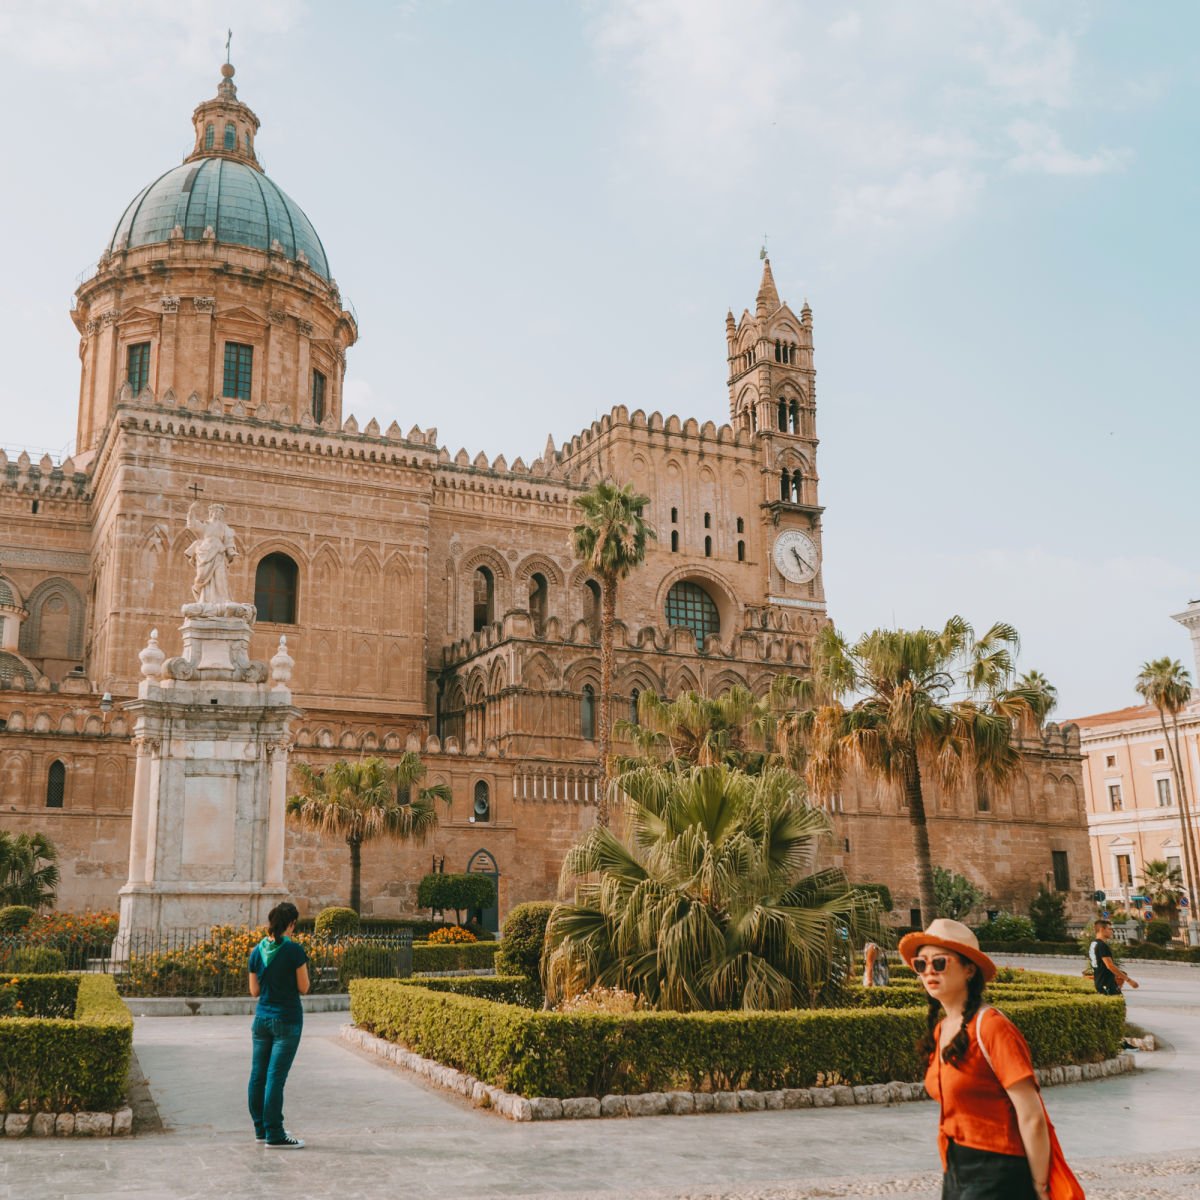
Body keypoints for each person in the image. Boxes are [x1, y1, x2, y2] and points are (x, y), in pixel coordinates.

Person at [900, 918, 1065, 1199]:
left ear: (968, 969)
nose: (929, 971)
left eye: (939, 962)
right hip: (957, 1168)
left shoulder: (992, 1027)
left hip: (999, 1170)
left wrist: (1039, 1186)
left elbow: (1031, 1115)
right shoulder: (942, 1030)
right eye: (921, 964)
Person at [247, 901, 310, 1148]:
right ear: (291, 924)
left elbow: (254, 991)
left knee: (257, 1076)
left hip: (261, 1019)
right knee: (276, 1078)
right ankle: (275, 1133)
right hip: (287, 1019)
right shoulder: (294, 951)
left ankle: (261, 1129)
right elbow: (304, 987)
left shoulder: (256, 951)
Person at [1089, 919, 1138, 996]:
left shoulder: (1093, 944)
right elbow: (1110, 966)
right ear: (1102, 929)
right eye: (1110, 929)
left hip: (1099, 982)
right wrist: (1129, 980)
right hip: (1107, 985)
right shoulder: (1102, 945)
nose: (1112, 931)